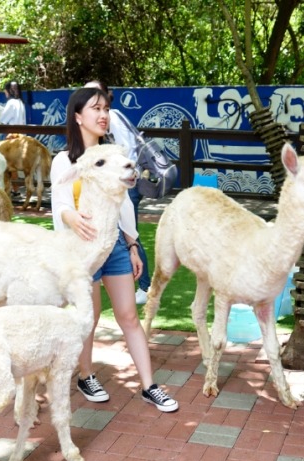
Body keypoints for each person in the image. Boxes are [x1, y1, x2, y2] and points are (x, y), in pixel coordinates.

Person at [50, 86, 178, 413]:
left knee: (129, 316)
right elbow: (60, 201)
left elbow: (124, 206)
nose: (103, 114)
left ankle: (149, 385)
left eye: (105, 108)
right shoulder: (65, 160)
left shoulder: (114, 154)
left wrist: (132, 244)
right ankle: (86, 375)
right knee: (88, 318)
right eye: (95, 108)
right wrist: (70, 217)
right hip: (82, 250)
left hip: (115, 246)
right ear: (78, 116)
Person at [85, 80, 151, 305]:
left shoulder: (111, 117)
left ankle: (145, 286)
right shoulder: (109, 118)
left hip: (124, 182)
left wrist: (120, 173)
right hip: (118, 182)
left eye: (96, 93)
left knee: (129, 232)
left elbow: (125, 152)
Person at [0, 81, 27, 196]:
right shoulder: (20, 102)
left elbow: (3, 120)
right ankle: (15, 188)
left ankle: (13, 189)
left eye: (5, 91)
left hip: (12, 137)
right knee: (14, 164)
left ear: (9, 91)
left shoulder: (11, 103)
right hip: (22, 137)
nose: (5, 93)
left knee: (10, 164)